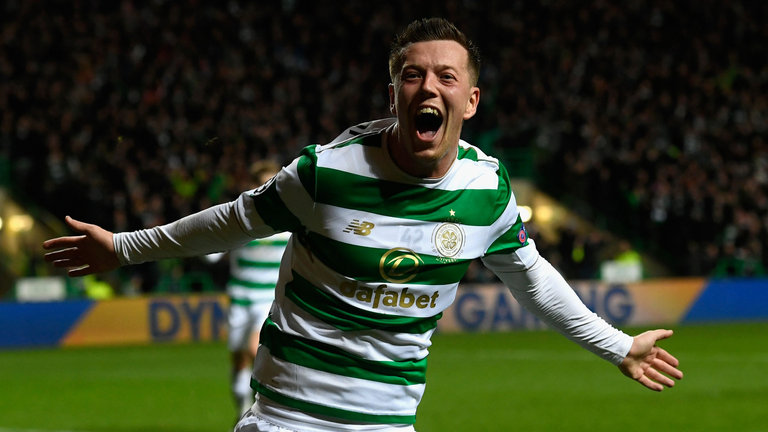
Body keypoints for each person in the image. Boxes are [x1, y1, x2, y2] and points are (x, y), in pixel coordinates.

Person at [43, 17, 683, 432]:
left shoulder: (486, 191)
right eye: (412, 75)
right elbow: (233, 221)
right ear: (394, 94)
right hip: (284, 422)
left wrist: (618, 346)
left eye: (445, 76)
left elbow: (533, 280)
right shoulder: (326, 173)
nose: (428, 86)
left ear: (470, 100)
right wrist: (124, 249)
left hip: (386, 426)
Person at [226, 160, 290, 417]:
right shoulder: (239, 222)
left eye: (270, 182)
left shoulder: (288, 222)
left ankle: (255, 407)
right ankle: (241, 404)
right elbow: (211, 249)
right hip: (239, 298)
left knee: (255, 349)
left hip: (268, 298)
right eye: (261, 183)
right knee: (238, 358)